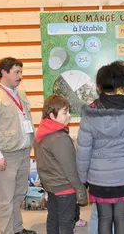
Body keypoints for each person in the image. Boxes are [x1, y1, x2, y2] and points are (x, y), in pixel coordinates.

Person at [76, 61, 124, 234]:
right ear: (120, 85)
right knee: (121, 218)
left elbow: (83, 150)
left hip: (99, 178)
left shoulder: (90, 112)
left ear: (99, 85)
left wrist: (83, 178)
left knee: (104, 218)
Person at [0, 57, 36, 234]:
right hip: (6, 156)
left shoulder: (20, 93)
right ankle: (7, 231)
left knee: (18, 195)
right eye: (16, 72)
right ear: (3, 72)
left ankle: (17, 229)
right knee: (5, 200)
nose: (20, 76)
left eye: (21, 72)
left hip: (23, 153)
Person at [34, 95, 88, 234]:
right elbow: (70, 169)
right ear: (52, 115)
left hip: (52, 186)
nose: (69, 116)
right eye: (65, 112)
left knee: (53, 219)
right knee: (66, 223)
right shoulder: (59, 138)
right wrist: (80, 190)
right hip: (65, 187)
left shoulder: (42, 131)